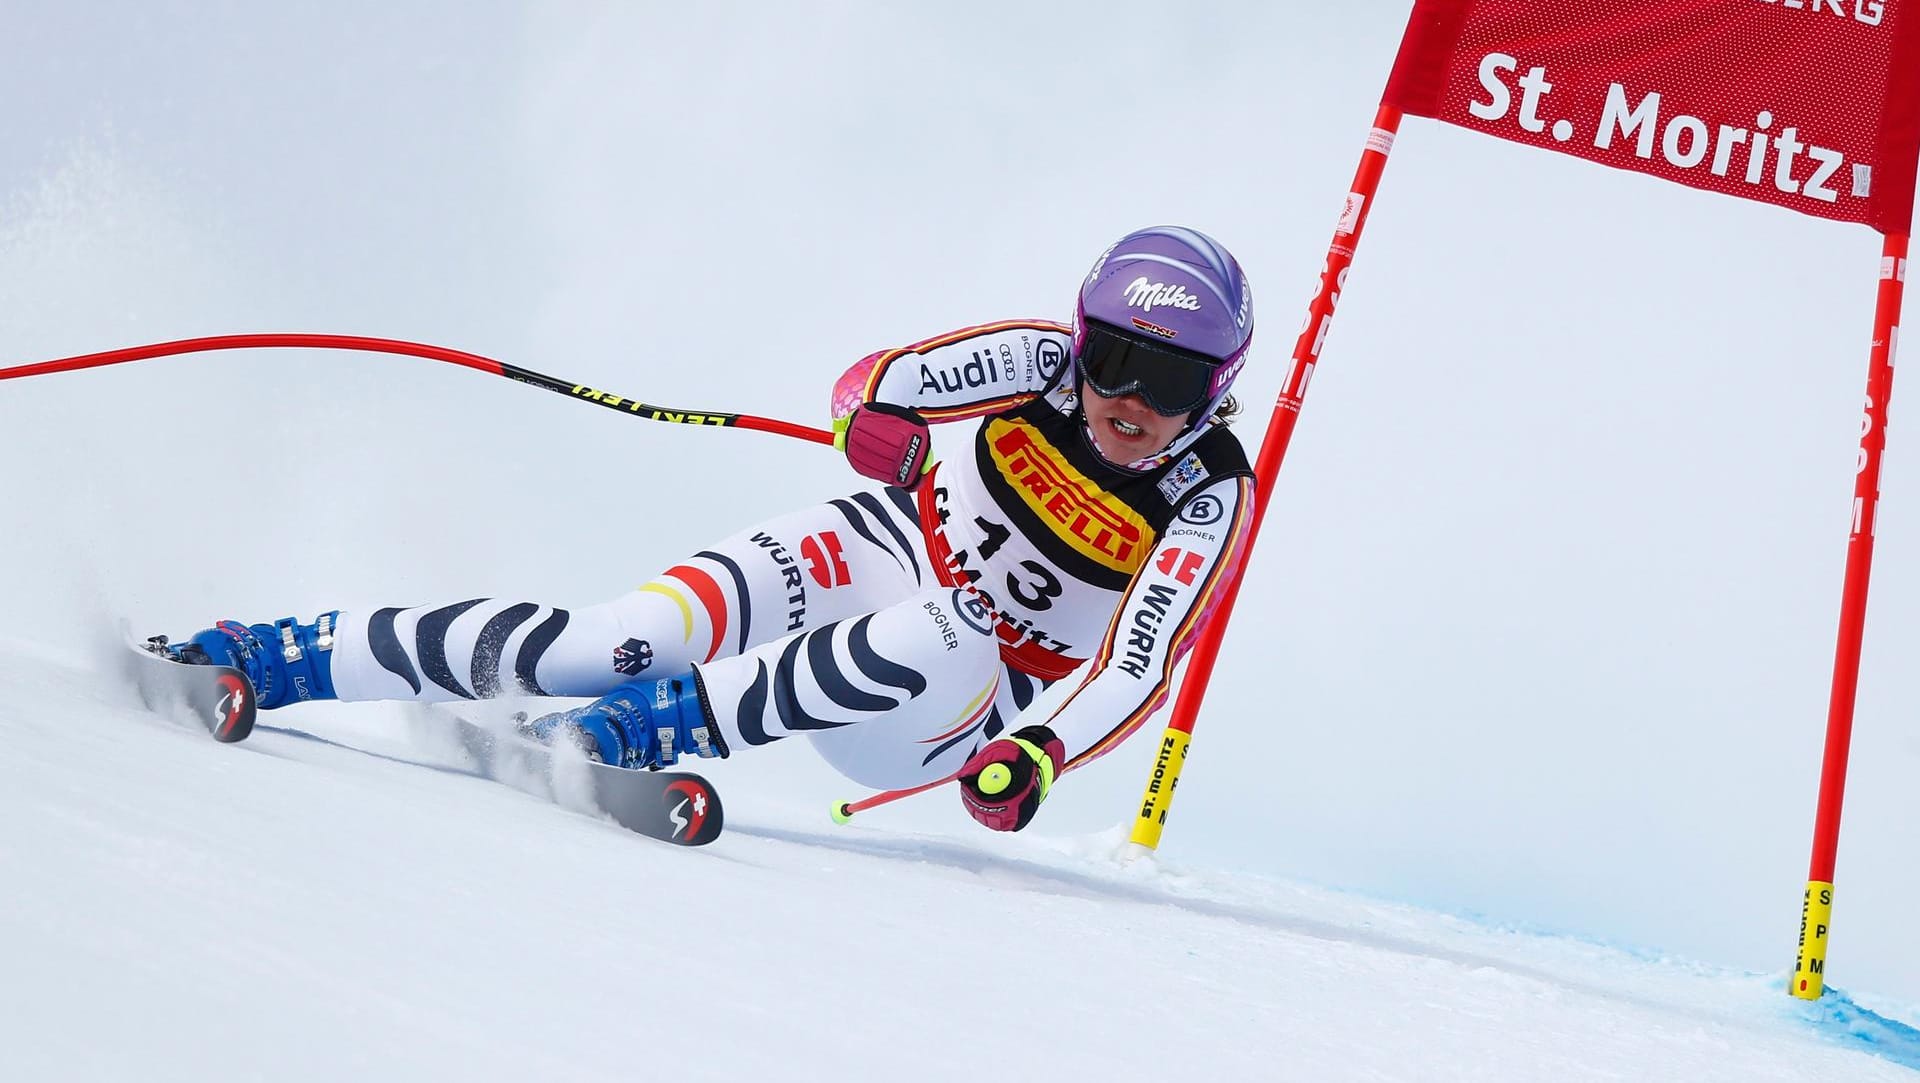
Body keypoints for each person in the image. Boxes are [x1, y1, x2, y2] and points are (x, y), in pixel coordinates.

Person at [166, 226, 1258, 833]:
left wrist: (1041, 753)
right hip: (884, 543)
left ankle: (641, 731)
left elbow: (1140, 664)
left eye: (1169, 381)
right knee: (604, 641)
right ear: (1081, 337)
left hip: (953, 702)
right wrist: (868, 428)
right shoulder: (1035, 361)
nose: (1130, 400)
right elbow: (867, 383)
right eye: (1115, 358)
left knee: (952, 623)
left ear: (1219, 389)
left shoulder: (1206, 494)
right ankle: (273, 654)